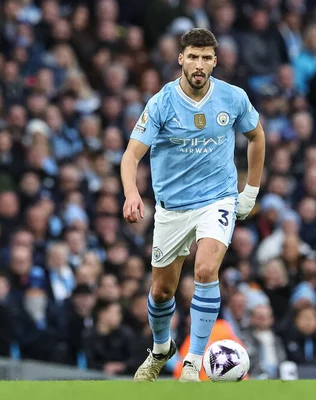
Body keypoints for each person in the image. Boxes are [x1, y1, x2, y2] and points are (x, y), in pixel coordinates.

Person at [121, 28, 265, 382]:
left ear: (215, 61)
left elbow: (257, 136)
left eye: (206, 58)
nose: (199, 64)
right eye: (193, 57)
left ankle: (193, 360)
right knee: (162, 291)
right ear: (181, 59)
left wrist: (251, 191)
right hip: (172, 208)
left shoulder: (232, 98)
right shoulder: (161, 103)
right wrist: (131, 193)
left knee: (204, 271)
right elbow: (130, 156)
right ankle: (161, 348)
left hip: (217, 199)